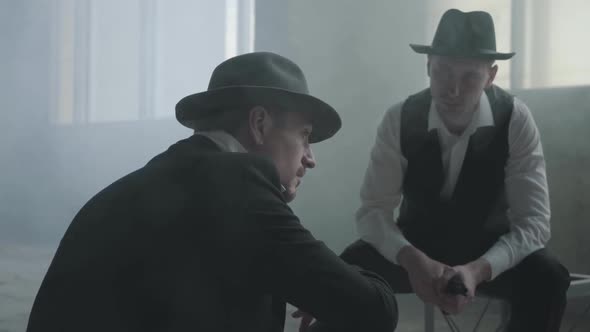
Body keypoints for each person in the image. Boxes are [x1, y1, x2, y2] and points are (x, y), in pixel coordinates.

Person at [26, 52, 398, 332]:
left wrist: (314, 283)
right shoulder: (238, 185)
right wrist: (344, 282)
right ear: (259, 123)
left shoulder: (161, 176)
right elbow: (374, 310)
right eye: (304, 136)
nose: (310, 158)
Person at [341, 9, 570, 332]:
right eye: (443, 73)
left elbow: (534, 224)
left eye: (470, 77)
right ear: (428, 67)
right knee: (348, 270)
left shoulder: (515, 119)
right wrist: (412, 260)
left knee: (548, 277)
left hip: (490, 248)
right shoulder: (399, 118)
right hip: (416, 244)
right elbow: (373, 212)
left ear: (490, 76)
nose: (453, 89)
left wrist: (478, 271)